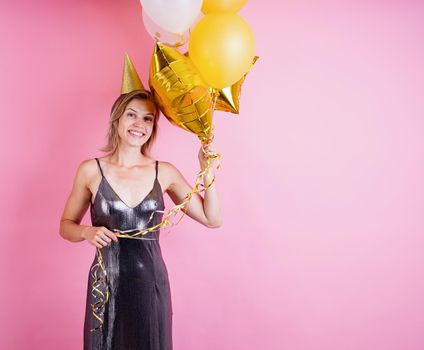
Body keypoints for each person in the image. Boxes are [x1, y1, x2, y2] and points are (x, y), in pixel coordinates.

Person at [59, 56, 222, 350]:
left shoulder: (165, 172)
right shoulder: (90, 170)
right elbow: (65, 226)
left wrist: (207, 173)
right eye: (132, 115)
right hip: (105, 287)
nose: (139, 124)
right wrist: (86, 232)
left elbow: (212, 219)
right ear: (117, 118)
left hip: (151, 287)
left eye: (148, 118)